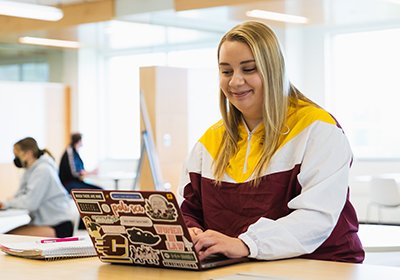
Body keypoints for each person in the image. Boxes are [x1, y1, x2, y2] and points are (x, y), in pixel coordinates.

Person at [178, 21, 364, 263]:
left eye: (249, 69)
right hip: (240, 268)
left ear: (274, 70)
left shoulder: (317, 129)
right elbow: (188, 208)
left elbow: (315, 216)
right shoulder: (209, 142)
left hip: (319, 267)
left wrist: (246, 244)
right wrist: (191, 232)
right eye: (226, 71)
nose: (235, 81)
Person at [0, 137, 73, 237]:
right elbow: (20, 195)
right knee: (5, 236)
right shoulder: (30, 170)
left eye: (17, 155)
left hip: (58, 225)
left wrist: (7, 203)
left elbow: (30, 203)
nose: (15, 158)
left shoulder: (43, 170)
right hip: (43, 223)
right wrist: (8, 203)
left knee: (6, 239)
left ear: (29, 154)